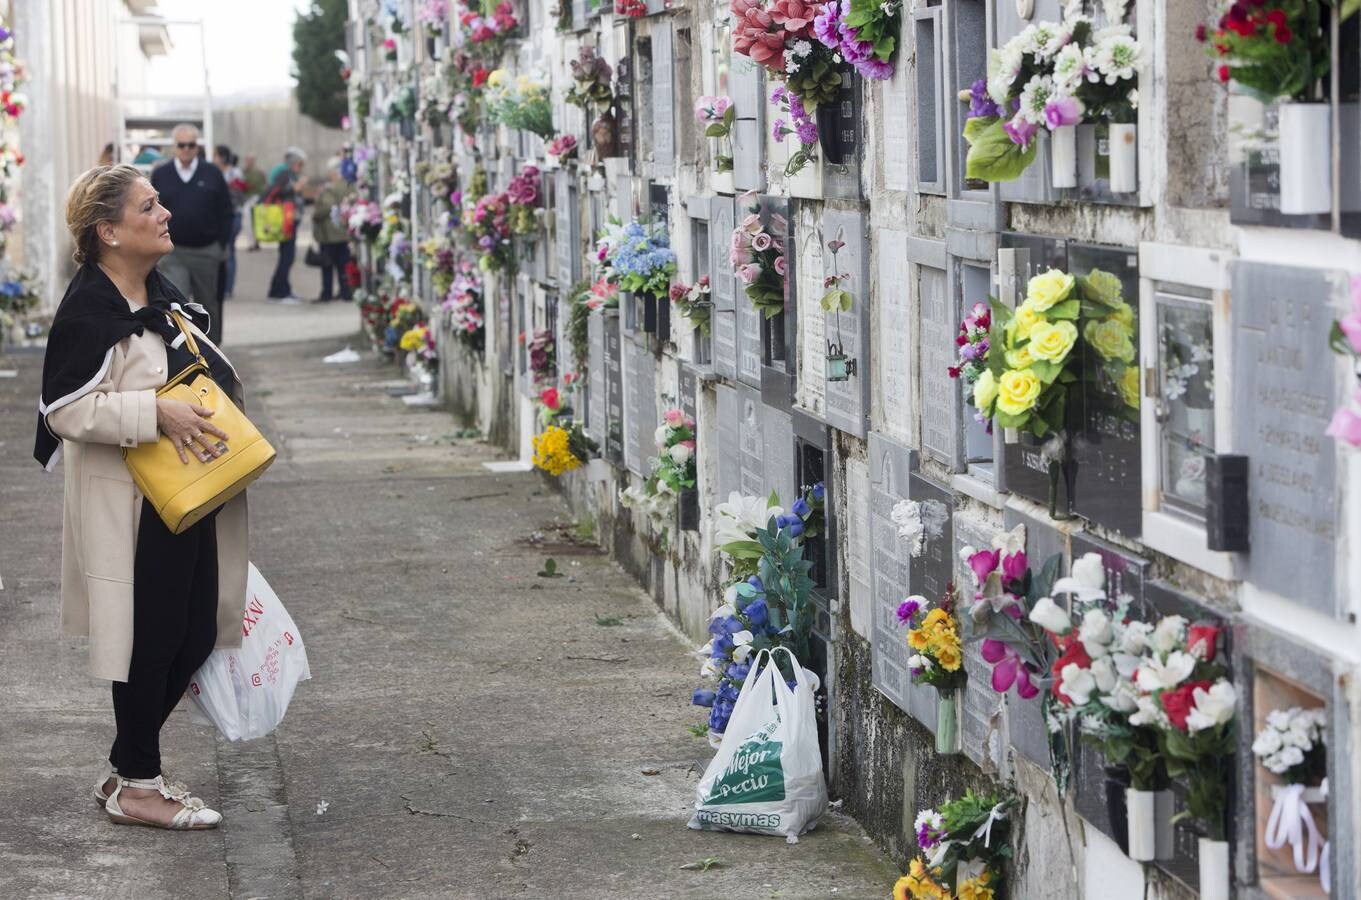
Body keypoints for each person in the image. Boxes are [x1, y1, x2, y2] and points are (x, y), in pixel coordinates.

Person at [33, 164, 253, 830]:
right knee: (149, 642)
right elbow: (64, 409)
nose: (164, 215)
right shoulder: (89, 310)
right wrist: (152, 414)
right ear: (108, 231)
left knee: (194, 636)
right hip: (135, 506)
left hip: (189, 491)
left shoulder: (163, 291)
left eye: (160, 204)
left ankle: (127, 769)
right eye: (148, 206)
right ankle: (139, 784)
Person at [150, 124, 232, 343]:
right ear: (174, 147)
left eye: (191, 145)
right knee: (177, 303)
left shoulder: (212, 173)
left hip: (206, 251)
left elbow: (226, 210)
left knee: (208, 304)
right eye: (181, 145)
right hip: (174, 251)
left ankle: (213, 350)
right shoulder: (161, 174)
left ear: (197, 147)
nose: (186, 149)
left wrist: (221, 246)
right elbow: (151, 210)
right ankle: (184, 351)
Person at [264, 147, 306, 303]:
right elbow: (276, 191)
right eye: (300, 164)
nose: (301, 168)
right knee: (287, 257)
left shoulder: (288, 174)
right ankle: (279, 292)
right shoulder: (284, 174)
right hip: (286, 220)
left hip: (290, 220)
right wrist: (295, 187)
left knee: (287, 256)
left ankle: (281, 288)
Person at [311, 157, 353, 302]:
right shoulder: (349, 186)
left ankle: (326, 294)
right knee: (343, 265)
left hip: (330, 234)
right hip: (343, 233)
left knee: (327, 266)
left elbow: (327, 207)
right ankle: (346, 292)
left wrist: (316, 214)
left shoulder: (330, 188)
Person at [214, 144, 246, 299]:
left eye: (215, 155)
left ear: (222, 157)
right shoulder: (214, 172)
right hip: (219, 217)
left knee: (229, 251)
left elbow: (238, 196)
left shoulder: (234, 173)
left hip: (233, 216)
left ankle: (227, 288)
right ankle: (223, 286)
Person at [241, 154, 266, 252]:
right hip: (250, 199)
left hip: (254, 198)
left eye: (250, 160)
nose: (248, 162)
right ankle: (255, 242)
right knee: (253, 222)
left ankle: (254, 242)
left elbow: (250, 186)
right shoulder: (245, 171)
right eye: (247, 160)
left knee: (251, 221)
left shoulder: (256, 172)